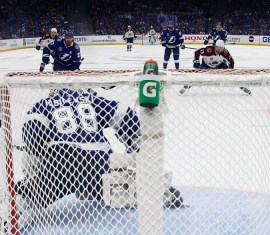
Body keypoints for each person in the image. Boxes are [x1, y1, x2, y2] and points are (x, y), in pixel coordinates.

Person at [15, 88, 187, 225]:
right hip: (99, 161)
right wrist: (133, 143)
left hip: (64, 161)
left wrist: (41, 159)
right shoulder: (90, 99)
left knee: (33, 192)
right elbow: (123, 113)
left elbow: (33, 133)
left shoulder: (42, 105)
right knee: (114, 191)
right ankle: (161, 193)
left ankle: (15, 209)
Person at [179, 40, 251, 95]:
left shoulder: (225, 52)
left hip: (220, 65)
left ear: (223, 48)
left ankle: (242, 86)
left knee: (231, 74)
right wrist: (196, 61)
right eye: (217, 48)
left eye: (221, 48)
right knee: (198, 75)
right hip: (206, 65)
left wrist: (230, 71)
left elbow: (231, 62)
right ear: (215, 46)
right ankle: (186, 87)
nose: (219, 50)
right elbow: (197, 52)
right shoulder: (208, 50)